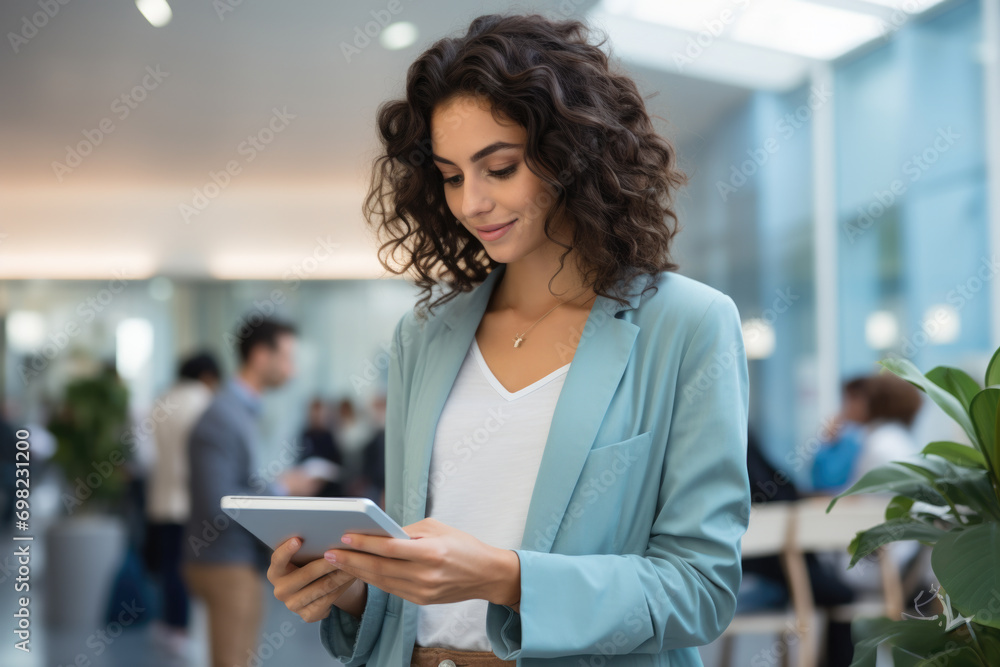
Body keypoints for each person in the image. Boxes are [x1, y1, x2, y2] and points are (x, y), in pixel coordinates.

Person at [268, 14, 750, 667]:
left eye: (499, 167)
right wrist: (353, 588)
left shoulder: (687, 325)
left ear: (573, 152)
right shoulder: (424, 337)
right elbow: (419, 588)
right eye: (452, 174)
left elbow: (700, 590)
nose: (472, 203)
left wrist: (504, 575)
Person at [183, 318, 321, 667]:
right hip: (223, 561)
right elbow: (220, 503)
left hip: (239, 559)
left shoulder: (243, 413)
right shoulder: (223, 415)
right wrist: (282, 488)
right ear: (261, 356)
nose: (291, 369)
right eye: (286, 357)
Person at [144, 351, 221, 656]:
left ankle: (170, 622)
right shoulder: (203, 401)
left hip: (161, 497)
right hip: (191, 499)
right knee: (186, 567)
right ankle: (181, 626)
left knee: (168, 565)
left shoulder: (162, 400)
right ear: (207, 376)